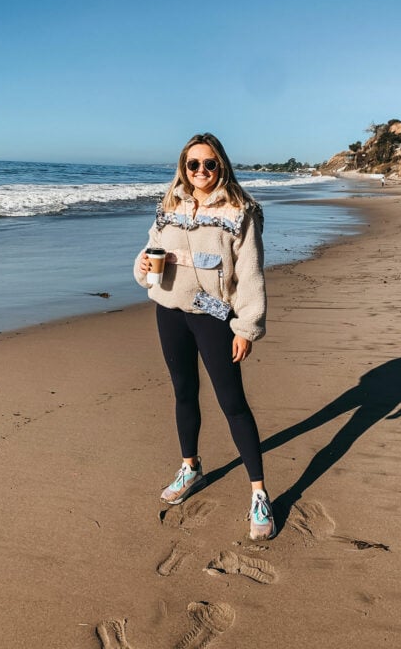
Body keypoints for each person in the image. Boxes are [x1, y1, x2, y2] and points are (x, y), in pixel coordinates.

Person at [134, 133, 275, 540]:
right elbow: (149, 250)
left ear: (221, 166)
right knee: (183, 393)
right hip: (169, 312)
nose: (200, 172)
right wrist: (142, 264)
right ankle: (190, 467)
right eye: (192, 164)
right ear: (183, 167)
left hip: (214, 317)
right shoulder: (169, 205)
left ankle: (259, 493)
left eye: (209, 164)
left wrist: (246, 328)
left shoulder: (240, 211)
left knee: (233, 403)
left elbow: (250, 274)